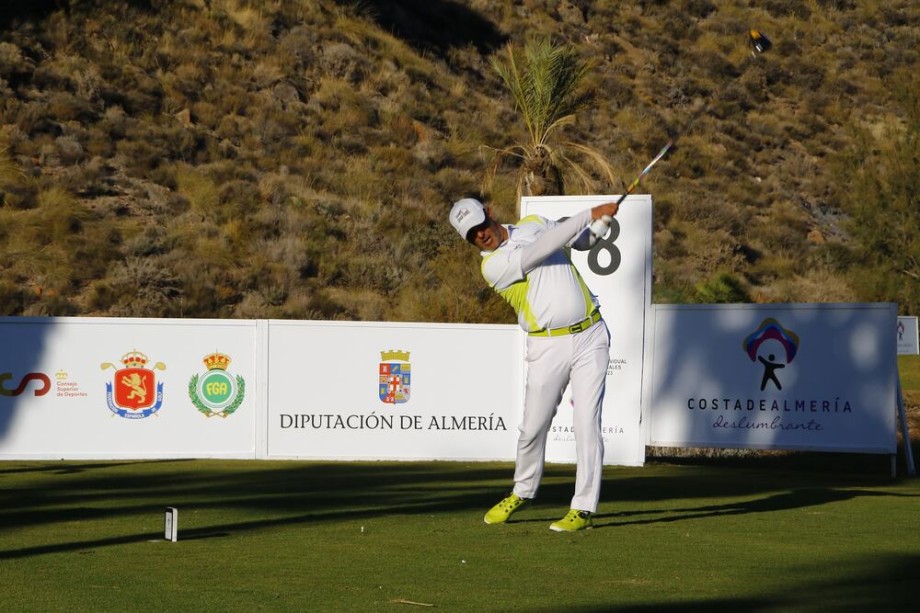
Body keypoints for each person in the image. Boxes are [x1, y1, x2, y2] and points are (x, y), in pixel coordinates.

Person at [449, 196, 620, 532]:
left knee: (587, 424)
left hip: (591, 334)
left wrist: (602, 223)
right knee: (533, 428)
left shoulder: (533, 224)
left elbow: (580, 241)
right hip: (546, 345)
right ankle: (522, 492)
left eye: (481, 226)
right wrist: (590, 212)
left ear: (490, 213)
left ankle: (583, 508)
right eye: (472, 235)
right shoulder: (493, 266)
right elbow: (541, 250)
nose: (481, 235)